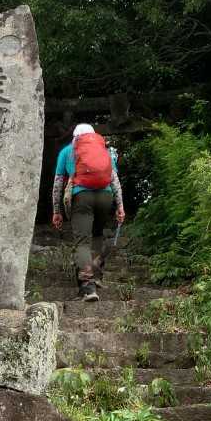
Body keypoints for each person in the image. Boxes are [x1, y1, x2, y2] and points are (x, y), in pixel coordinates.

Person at [51, 123, 125, 301]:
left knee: (82, 242)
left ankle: (87, 286)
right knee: (97, 234)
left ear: (75, 137)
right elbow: (114, 181)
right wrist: (120, 206)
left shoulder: (67, 151)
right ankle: (97, 276)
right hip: (105, 197)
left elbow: (58, 183)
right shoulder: (104, 152)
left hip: (81, 197)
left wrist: (56, 210)